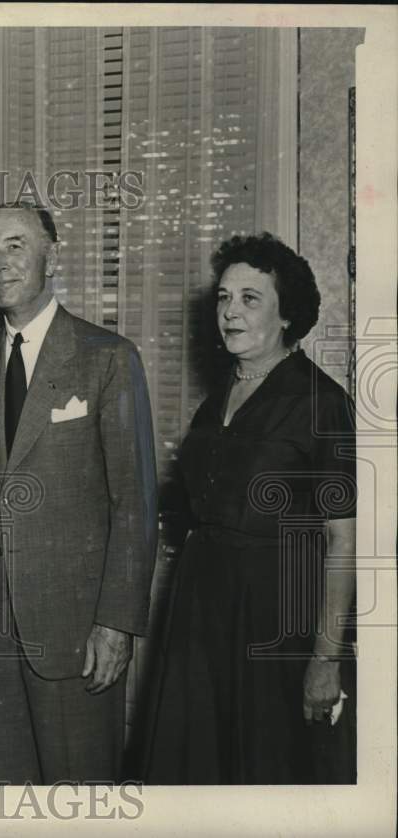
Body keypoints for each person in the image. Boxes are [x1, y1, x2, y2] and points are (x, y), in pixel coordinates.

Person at [0, 202, 158, 784]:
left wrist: (117, 623)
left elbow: (133, 505)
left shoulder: (107, 358)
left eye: (14, 245)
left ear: (52, 257)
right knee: (3, 798)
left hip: (76, 632)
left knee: (79, 798)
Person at [143, 233, 357, 784]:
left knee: (267, 768)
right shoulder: (218, 400)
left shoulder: (321, 402)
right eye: (222, 297)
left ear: (288, 315)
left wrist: (326, 657)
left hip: (275, 619)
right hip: (200, 608)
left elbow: (343, 541)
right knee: (196, 768)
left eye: (250, 298)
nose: (229, 312)